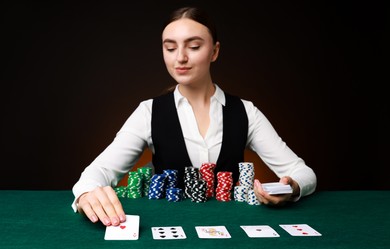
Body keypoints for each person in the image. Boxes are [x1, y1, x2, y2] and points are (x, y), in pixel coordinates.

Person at [72, 6, 317, 226]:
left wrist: (292, 187)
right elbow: (98, 172)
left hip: (234, 232)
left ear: (214, 51)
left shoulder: (246, 111)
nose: (180, 57)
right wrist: (87, 194)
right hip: (166, 233)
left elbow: (302, 173)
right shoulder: (148, 112)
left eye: (194, 46)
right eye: (170, 47)